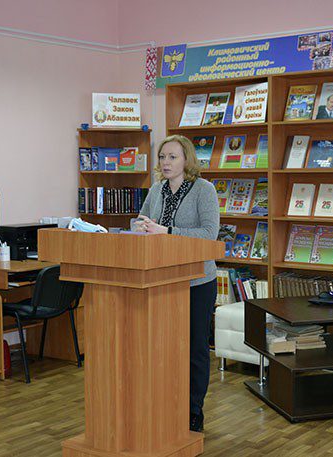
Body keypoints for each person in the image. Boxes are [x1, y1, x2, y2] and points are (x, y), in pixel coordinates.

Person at [134, 134, 219, 432]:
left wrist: (166, 231)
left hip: (197, 282)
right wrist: (141, 227)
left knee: (195, 349)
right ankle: (167, 406)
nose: (166, 162)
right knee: (165, 348)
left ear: (187, 160)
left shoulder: (204, 190)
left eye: (172, 157)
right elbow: (140, 219)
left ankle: (194, 411)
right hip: (163, 280)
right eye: (162, 157)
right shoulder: (156, 189)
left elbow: (209, 234)